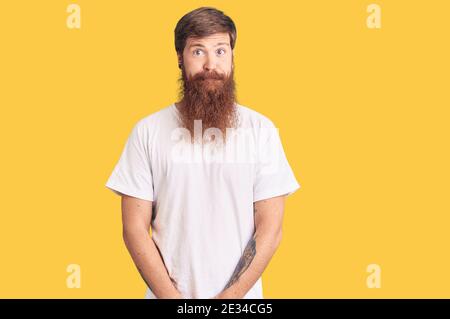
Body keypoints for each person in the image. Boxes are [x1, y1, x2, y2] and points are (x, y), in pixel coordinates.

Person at [105, 6, 301, 299]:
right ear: (180, 60)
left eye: (221, 51)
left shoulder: (261, 130)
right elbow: (134, 229)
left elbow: (270, 229)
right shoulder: (147, 131)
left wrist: (230, 298)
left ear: (233, 57)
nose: (211, 64)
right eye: (198, 52)